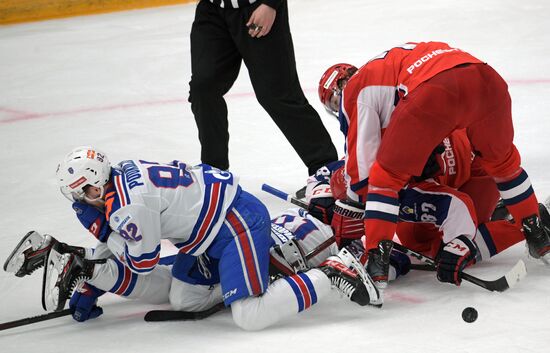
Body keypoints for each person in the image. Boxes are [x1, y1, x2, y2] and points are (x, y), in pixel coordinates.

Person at [4, 146, 379, 330]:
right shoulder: (120, 177)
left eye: (80, 192)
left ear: (93, 184)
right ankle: (83, 265)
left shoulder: (126, 205)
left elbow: (141, 261)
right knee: (184, 298)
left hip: (236, 224)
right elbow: (130, 243)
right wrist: (95, 273)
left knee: (250, 315)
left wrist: (101, 241)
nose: (79, 201)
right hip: (207, 231)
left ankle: (330, 273)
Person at [317, 42, 550, 304]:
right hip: (486, 81)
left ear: (343, 83)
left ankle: (376, 265)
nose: (339, 107)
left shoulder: (357, 90)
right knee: (504, 165)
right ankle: (537, 231)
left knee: (387, 185)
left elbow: (363, 181)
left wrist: (346, 212)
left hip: (438, 102)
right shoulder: (394, 70)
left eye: (335, 100)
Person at [189, 0, 338, 175]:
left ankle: (327, 168)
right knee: (204, 88)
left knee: (277, 94)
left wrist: (270, 4)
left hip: (258, 9)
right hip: (212, 11)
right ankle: (214, 172)